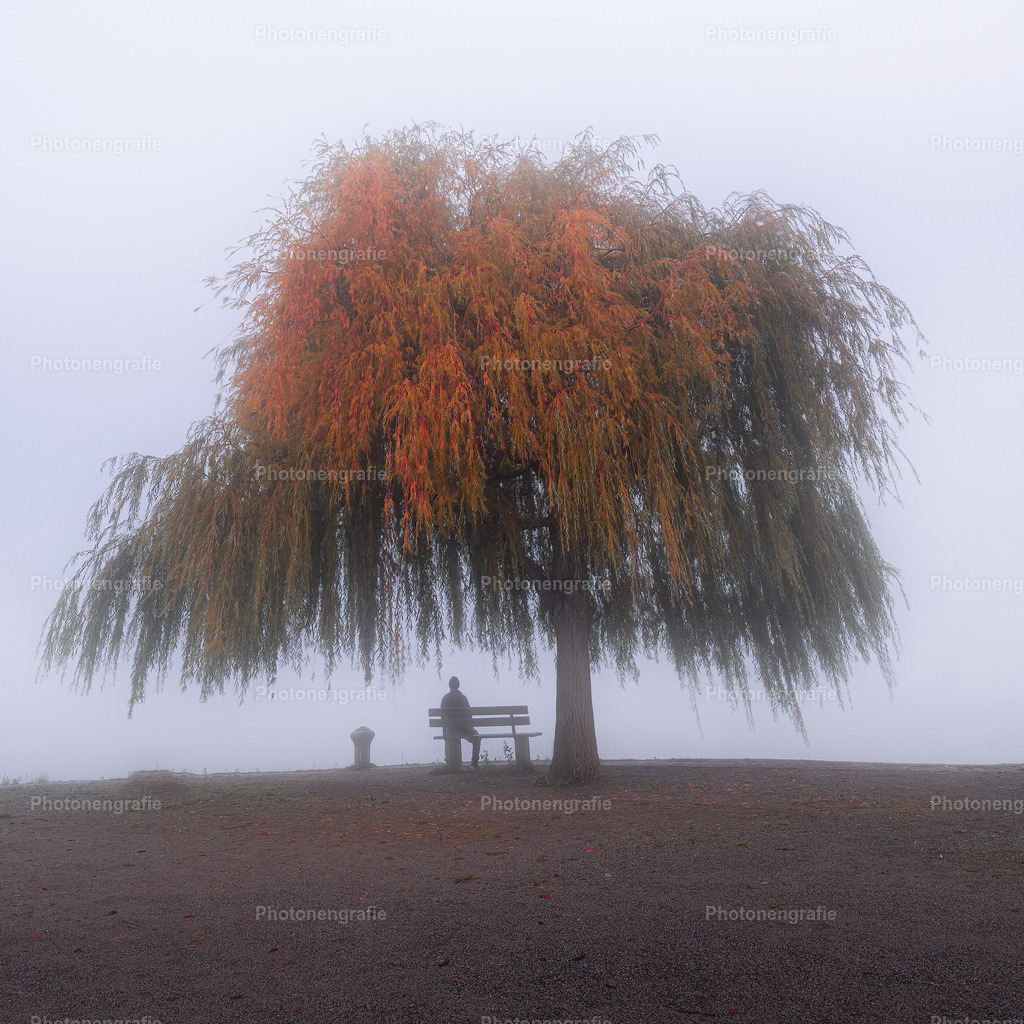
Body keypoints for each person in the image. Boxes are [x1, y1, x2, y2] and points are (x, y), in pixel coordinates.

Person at [440, 676, 481, 768]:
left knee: (449, 735)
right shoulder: (463, 698)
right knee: (477, 737)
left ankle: (449, 760)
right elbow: (469, 716)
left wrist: (445, 731)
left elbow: (442, 717)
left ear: (449, 685)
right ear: (458, 685)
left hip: (450, 730)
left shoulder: (445, 698)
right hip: (463, 729)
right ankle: (474, 763)